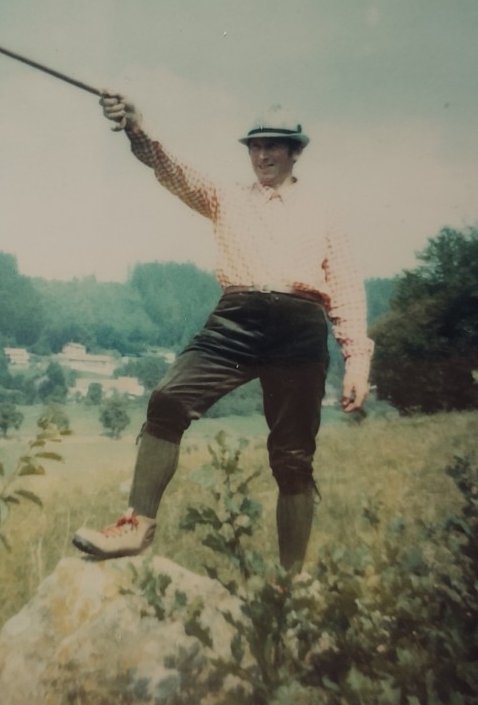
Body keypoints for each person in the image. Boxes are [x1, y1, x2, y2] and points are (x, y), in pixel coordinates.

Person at [72, 92, 373, 571]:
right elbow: (172, 169)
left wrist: (357, 361)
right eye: (255, 146)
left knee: (294, 458)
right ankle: (135, 527)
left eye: (274, 146)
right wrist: (135, 126)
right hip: (237, 319)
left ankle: (290, 582)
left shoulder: (323, 211)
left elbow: (346, 287)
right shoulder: (226, 197)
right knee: (168, 400)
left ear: (296, 151)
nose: (263, 155)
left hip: (299, 328)